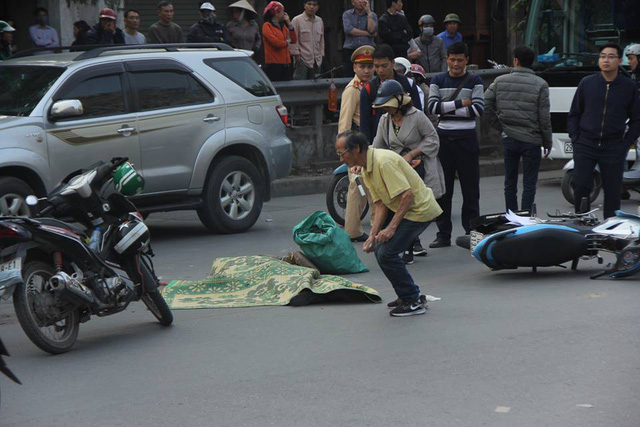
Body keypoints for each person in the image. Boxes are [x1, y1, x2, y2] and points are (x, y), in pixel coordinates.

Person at [335, 130, 442, 317]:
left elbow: (407, 196)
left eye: (342, 154)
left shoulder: (383, 162)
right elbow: (380, 204)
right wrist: (373, 236)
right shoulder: (366, 167)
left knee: (387, 253)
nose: (341, 159)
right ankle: (408, 295)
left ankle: (412, 300)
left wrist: (391, 228)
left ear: (357, 149)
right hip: (408, 209)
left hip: (419, 210)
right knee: (381, 250)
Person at [372, 80, 444, 263]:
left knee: (411, 207)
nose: (386, 108)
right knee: (395, 207)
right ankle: (398, 245)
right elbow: (378, 145)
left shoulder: (417, 116)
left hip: (416, 167)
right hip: (396, 168)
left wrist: (413, 153)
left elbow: (432, 138)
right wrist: (364, 160)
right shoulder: (385, 120)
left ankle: (409, 248)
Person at [568, 42, 640, 219]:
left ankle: (610, 229)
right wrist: (576, 139)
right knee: (581, 186)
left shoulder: (628, 87)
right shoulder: (587, 83)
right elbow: (574, 114)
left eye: (610, 56)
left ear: (618, 60)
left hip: (613, 146)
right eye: (602, 56)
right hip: (585, 144)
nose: (606, 60)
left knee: (613, 190)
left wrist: (625, 143)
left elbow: (637, 119)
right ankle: (581, 222)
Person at [428, 42, 484, 248]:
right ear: (447, 59)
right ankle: (443, 234)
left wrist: (446, 108)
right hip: (444, 142)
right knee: (444, 190)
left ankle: (472, 233)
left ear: (467, 60)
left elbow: (477, 109)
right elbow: (432, 107)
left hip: (467, 141)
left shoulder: (475, 80)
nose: (456, 64)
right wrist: (461, 103)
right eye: (452, 59)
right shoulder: (438, 79)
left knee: (471, 190)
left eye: (460, 60)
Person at [484, 45, 552, 212]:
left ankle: (511, 217)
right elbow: (544, 117)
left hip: (509, 137)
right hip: (532, 139)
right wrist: (547, 142)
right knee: (529, 183)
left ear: (515, 60)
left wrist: (500, 126)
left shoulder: (500, 81)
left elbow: (486, 105)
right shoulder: (541, 84)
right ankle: (526, 216)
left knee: (510, 183)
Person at [339, 45, 375, 243]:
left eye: (370, 66)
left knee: (359, 190)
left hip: (368, 145)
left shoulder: (370, 86)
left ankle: (352, 229)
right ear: (354, 67)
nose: (367, 70)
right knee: (365, 188)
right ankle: (368, 230)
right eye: (362, 66)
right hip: (356, 148)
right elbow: (344, 124)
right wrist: (347, 154)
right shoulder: (352, 90)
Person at [359, 44, 421, 143]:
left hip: (408, 142)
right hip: (380, 143)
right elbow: (365, 125)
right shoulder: (368, 90)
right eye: (376, 66)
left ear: (393, 63)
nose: (380, 70)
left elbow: (418, 114)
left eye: (384, 66)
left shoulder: (408, 84)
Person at [261, 1, 297, 82]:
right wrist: (287, 42)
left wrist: (289, 23)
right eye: (282, 11)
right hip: (274, 64)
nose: (284, 14)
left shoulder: (283, 26)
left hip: (286, 64)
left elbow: (294, 40)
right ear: (276, 13)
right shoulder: (267, 26)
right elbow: (276, 43)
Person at [289, 0, 324, 80]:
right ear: (305, 6)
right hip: (302, 60)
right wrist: (297, 57)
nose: (312, 7)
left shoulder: (319, 21)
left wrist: (321, 54)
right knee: (300, 87)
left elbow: (322, 40)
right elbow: (293, 40)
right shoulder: (297, 20)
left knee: (316, 88)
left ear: (317, 7)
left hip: (317, 60)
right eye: (309, 4)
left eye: (314, 5)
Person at [342, 0, 377, 78]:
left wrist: (369, 13)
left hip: (368, 49)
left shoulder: (373, 15)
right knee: (348, 75)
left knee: (368, 74)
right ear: (353, 2)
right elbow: (349, 30)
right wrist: (368, 34)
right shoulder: (347, 14)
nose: (361, 1)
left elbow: (372, 30)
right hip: (350, 48)